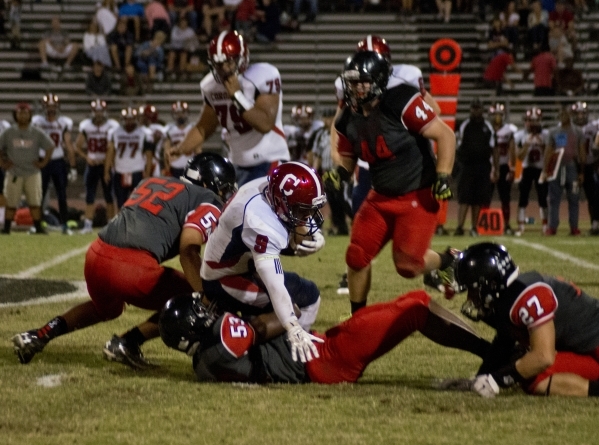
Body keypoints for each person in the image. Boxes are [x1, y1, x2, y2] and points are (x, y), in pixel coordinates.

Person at [11, 153, 237, 367]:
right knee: (198, 300)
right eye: (224, 189)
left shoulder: (151, 181)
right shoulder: (207, 198)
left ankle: (40, 334)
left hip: (96, 255)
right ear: (208, 184)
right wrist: (205, 297)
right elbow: (188, 248)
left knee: (107, 309)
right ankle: (128, 342)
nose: (224, 196)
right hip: (129, 267)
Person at [333, 50, 457, 315]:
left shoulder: (401, 101)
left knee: (408, 266)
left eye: (361, 81)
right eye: (351, 82)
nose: (354, 88)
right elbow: (347, 156)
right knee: (356, 256)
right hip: (380, 197)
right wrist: (339, 173)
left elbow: (445, 136)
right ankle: (359, 318)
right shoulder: (347, 118)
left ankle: (447, 261)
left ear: (378, 81)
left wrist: (443, 175)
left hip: (417, 193)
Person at [158, 289, 492, 383]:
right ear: (192, 328)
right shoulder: (221, 342)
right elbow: (277, 321)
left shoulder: (203, 362)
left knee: (411, 301)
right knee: (416, 307)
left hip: (320, 349)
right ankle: (490, 353)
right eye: (200, 313)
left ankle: (489, 351)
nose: (208, 312)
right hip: (327, 359)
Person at [200, 162, 327, 362]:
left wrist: (312, 232)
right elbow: (273, 281)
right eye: (303, 211)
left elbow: (290, 218)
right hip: (225, 278)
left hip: (241, 262)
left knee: (307, 294)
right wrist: (292, 325)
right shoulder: (258, 220)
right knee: (293, 309)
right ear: (281, 202)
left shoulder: (266, 187)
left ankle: (275, 348)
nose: (308, 217)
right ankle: (258, 353)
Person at [453, 242, 599, 398]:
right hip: (587, 350)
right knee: (520, 363)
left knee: (533, 373)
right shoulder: (508, 297)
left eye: (473, 289)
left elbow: (543, 357)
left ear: (493, 284)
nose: (470, 297)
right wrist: (480, 379)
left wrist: (496, 381)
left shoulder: (528, 296)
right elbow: (503, 345)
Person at [170, 31, 289, 186]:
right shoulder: (210, 86)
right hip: (236, 164)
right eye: (219, 64)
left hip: (269, 159)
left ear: (242, 59)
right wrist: (181, 148)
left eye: (229, 62)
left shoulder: (263, 75)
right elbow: (204, 127)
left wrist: (237, 96)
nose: (224, 68)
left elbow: (265, 124)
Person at [0, 103, 55, 235]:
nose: (23, 115)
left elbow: (50, 146)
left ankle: (38, 227)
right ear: (15, 115)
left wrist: (43, 163)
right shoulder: (9, 132)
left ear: (30, 115)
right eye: (20, 113)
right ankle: (6, 228)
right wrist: (2, 163)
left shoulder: (36, 132)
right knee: (11, 202)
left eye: (25, 113)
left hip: (32, 172)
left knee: (35, 202)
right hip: (14, 172)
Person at [31, 93, 77, 235]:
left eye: (53, 106)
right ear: (43, 107)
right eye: (48, 106)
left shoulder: (63, 122)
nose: (50, 109)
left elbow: (68, 144)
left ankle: (65, 225)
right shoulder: (37, 121)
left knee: (62, 195)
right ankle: (37, 225)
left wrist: (73, 166)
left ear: (57, 107)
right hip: (42, 161)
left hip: (58, 161)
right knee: (39, 195)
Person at [74, 99, 120, 234]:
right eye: (96, 111)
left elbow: (115, 147)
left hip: (106, 165)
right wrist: (87, 157)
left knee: (109, 196)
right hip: (93, 165)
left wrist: (110, 160)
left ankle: (112, 225)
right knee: (90, 195)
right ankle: (88, 225)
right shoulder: (86, 126)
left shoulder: (112, 126)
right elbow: (77, 146)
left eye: (101, 111)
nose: (98, 114)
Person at [453, 99, 496, 237]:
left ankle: (474, 227)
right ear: (470, 109)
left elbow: (494, 148)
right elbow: (456, 145)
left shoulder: (488, 126)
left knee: (478, 198)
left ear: (482, 110)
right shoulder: (464, 125)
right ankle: (459, 226)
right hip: (466, 166)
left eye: (478, 108)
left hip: (482, 165)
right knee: (464, 197)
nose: (476, 110)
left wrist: (496, 168)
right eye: (474, 108)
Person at [542, 104, 585, 235]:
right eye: (561, 114)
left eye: (565, 114)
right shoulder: (554, 132)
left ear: (570, 115)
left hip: (572, 166)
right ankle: (553, 226)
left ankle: (574, 226)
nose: (563, 116)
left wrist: (581, 171)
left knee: (574, 197)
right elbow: (548, 152)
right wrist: (545, 170)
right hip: (556, 168)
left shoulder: (577, 131)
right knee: (554, 198)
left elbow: (581, 151)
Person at [104, 107, 155, 210]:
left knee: (138, 203)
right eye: (127, 119)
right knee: (120, 203)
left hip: (136, 171)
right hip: (120, 171)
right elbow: (110, 153)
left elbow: (149, 157)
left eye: (131, 119)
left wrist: (148, 174)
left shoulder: (144, 133)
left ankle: (137, 225)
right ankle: (122, 225)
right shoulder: (115, 132)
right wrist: (106, 171)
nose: (129, 121)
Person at [311, 108, 348, 236]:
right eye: (325, 118)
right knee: (330, 200)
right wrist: (314, 172)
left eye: (330, 117)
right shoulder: (320, 135)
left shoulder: (341, 132)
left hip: (338, 171)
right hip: (326, 172)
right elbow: (318, 155)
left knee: (340, 199)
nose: (328, 120)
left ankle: (342, 226)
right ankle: (335, 226)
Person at [514, 106, 549, 235]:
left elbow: (550, 154)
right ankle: (521, 226)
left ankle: (545, 226)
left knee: (543, 198)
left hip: (541, 169)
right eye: (531, 120)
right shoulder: (520, 135)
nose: (533, 123)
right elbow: (519, 156)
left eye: (536, 120)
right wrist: (527, 144)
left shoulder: (546, 135)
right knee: (523, 198)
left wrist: (542, 145)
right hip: (527, 168)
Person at [489, 102, 518, 235]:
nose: (497, 117)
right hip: (488, 166)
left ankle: (506, 224)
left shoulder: (508, 130)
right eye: (495, 114)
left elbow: (512, 150)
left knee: (505, 197)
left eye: (500, 114)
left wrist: (512, 168)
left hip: (503, 165)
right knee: (485, 197)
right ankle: (482, 223)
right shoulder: (487, 128)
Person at [575, 102, 599, 235]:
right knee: (572, 197)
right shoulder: (570, 128)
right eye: (577, 113)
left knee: (593, 197)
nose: (580, 116)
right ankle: (573, 226)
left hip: (590, 164)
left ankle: (594, 224)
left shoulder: (594, 127)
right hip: (573, 165)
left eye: (582, 113)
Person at [163, 101, 194, 178]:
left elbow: (198, 150)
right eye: (177, 113)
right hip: (175, 166)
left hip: (190, 166)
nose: (180, 115)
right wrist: (167, 167)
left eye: (182, 113)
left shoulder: (192, 128)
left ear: (186, 113)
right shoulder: (170, 129)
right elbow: (166, 150)